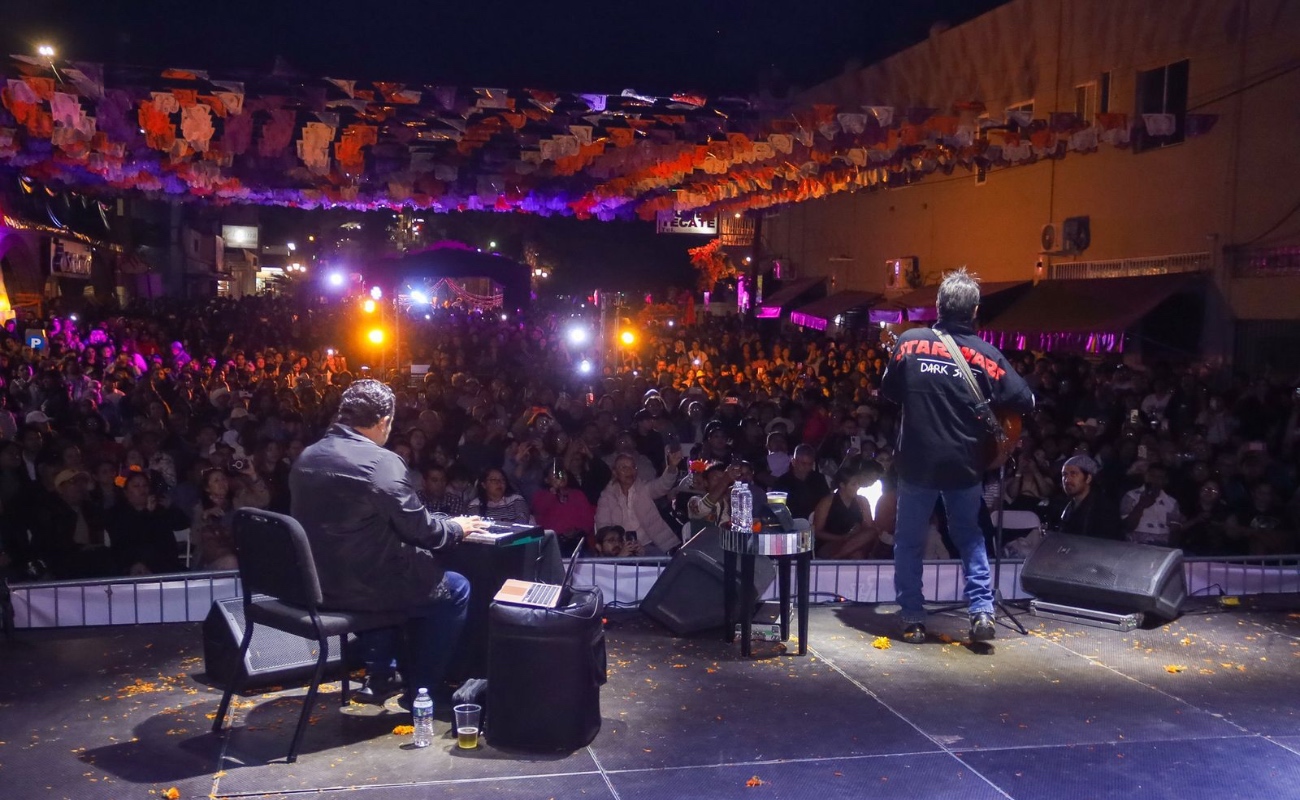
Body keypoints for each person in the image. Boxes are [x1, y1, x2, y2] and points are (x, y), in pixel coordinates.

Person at [289, 380, 489, 708]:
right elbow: (424, 532)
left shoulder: (307, 457)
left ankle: (381, 672)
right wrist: (456, 527)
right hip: (361, 589)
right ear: (383, 422)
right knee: (456, 589)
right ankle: (423, 691)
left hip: (315, 585)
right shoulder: (381, 463)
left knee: (389, 561)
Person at [879, 268, 1035, 644]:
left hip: (918, 463)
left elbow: (890, 392)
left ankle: (913, 618)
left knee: (909, 541)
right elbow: (1026, 400)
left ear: (938, 306)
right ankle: (981, 611)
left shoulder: (909, 342)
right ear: (975, 310)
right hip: (965, 463)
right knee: (970, 536)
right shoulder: (988, 355)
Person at [594, 449, 684, 555]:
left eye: (633, 467)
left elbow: (662, 485)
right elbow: (603, 528)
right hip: (620, 548)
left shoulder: (643, 488)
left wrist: (672, 467)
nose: (630, 471)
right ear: (614, 472)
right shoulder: (607, 496)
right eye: (624, 467)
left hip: (650, 544)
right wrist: (619, 551)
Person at [811, 458, 883, 559]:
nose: (857, 487)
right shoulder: (827, 502)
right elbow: (817, 532)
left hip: (855, 541)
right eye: (853, 484)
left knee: (871, 534)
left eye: (858, 484)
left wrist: (859, 528)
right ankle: (836, 557)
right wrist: (841, 538)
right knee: (856, 554)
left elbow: (869, 527)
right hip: (830, 542)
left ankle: (837, 557)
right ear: (842, 485)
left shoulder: (862, 501)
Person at [530, 458, 595, 555]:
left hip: (578, 541)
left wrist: (576, 530)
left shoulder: (577, 494)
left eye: (563, 472)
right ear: (547, 480)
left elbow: (588, 521)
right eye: (556, 473)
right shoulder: (540, 496)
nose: (561, 476)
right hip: (553, 543)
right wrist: (554, 491)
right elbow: (540, 512)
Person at [1056, 454, 1124, 540]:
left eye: (1073, 474)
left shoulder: (1103, 509)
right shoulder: (1065, 505)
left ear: (1088, 478)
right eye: (1064, 474)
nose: (1067, 480)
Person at [1120, 462, 1184, 546]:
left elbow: (1175, 531)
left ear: (1165, 481)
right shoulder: (1131, 496)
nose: (1155, 480)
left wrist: (1169, 549)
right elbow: (1128, 527)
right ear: (1146, 477)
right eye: (1152, 476)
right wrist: (1140, 506)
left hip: (1162, 546)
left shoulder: (1171, 502)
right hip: (1136, 545)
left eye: (1160, 477)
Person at [772, 444, 830, 520]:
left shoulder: (819, 479)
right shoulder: (782, 483)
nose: (806, 467)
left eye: (809, 464)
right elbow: (777, 511)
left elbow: (827, 503)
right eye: (803, 463)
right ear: (793, 462)